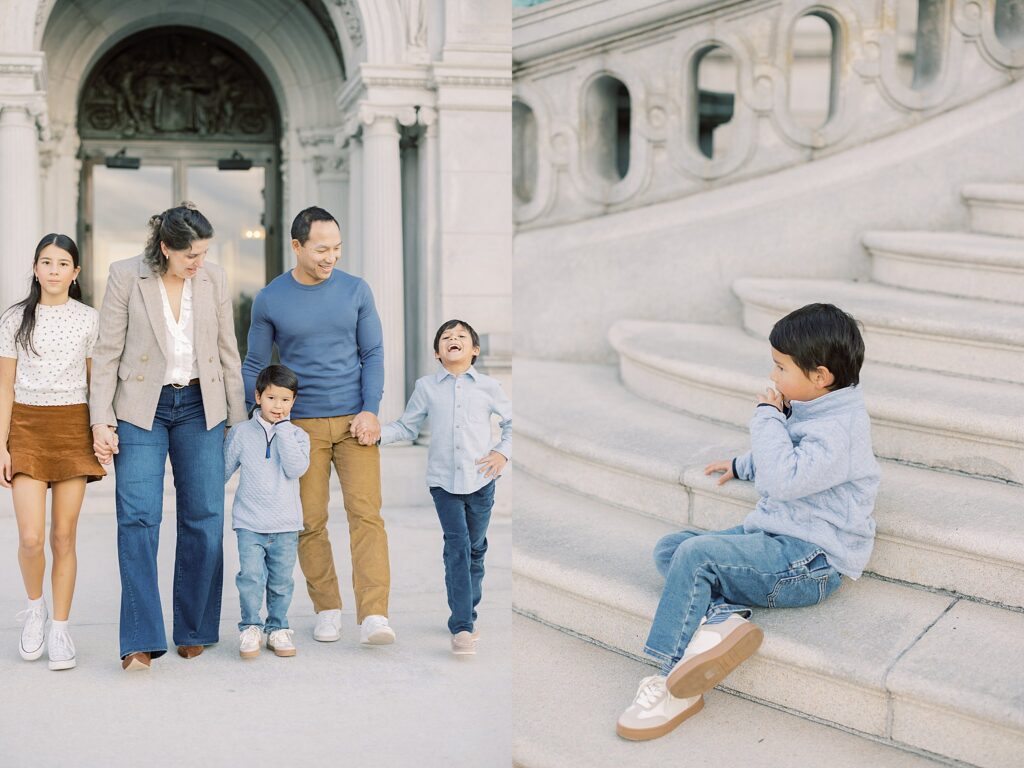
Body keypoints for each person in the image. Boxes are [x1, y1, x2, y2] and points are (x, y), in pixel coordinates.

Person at [616, 303, 881, 741]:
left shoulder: (841, 429)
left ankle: (671, 681)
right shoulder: (818, 408)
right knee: (671, 547)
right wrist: (742, 465)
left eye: (780, 368)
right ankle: (722, 620)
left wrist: (765, 415)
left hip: (809, 562)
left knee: (696, 556)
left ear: (820, 376)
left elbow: (785, 476)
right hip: (777, 540)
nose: (773, 378)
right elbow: (788, 459)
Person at [90, 203, 246, 671]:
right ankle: (140, 637)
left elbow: (227, 351)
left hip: (202, 406)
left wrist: (238, 422)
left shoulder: (213, 279)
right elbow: (107, 351)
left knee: (204, 516)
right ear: (165, 248)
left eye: (203, 253)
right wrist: (101, 418)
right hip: (142, 408)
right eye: (190, 255)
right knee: (138, 518)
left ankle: (194, 627)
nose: (198, 263)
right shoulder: (125, 276)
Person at [242, 206, 394, 645]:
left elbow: (374, 354)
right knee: (308, 521)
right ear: (297, 246)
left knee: (366, 516)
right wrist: (251, 418)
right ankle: (327, 607)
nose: (331, 257)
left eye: (337, 248)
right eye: (322, 249)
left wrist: (371, 409)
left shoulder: (356, 290)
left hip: (354, 424)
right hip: (299, 428)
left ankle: (375, 616)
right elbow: (255, 362)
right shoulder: (270, 298)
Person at [0, 234, 106, 671]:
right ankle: (35, 609)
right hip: (26, 427)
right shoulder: (14, 319)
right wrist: (1, 444)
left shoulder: (89, 320)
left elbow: (96, 383)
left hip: (71, 427)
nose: (55, 270)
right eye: (47, 262)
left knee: (63, 537)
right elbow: (4, 386)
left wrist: (102, 431)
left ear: (75, 272)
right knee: (30, 538)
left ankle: (60, 628)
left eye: (63, 263)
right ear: (36, 268)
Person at [378, 320, 511, 655]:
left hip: (481, 481)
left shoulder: (489, 387)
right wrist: (375, 433)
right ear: (438, 352)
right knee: (457, 546)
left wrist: (501, 453)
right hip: (443, 483)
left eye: (461, 337)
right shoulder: (426, 387)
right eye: (446, 338)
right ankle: (463, 625)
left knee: (476, 548)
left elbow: (513, 423)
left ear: (474, 350)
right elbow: (407, 427)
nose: (454, 339)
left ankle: (467, 606)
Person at [225, 364, 309, 659]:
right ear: (258, 396)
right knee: (250, 577)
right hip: (249, 521)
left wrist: (283, 430)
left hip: (286, 523)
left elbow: (296, 468)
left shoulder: (298, 436)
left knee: (281, 581)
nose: (278, 406)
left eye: (286, 400)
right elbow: (223, 470)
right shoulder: (241, 433)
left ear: (293, 402)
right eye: (272, 398)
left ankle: (277, 628)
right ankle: (250, 626)